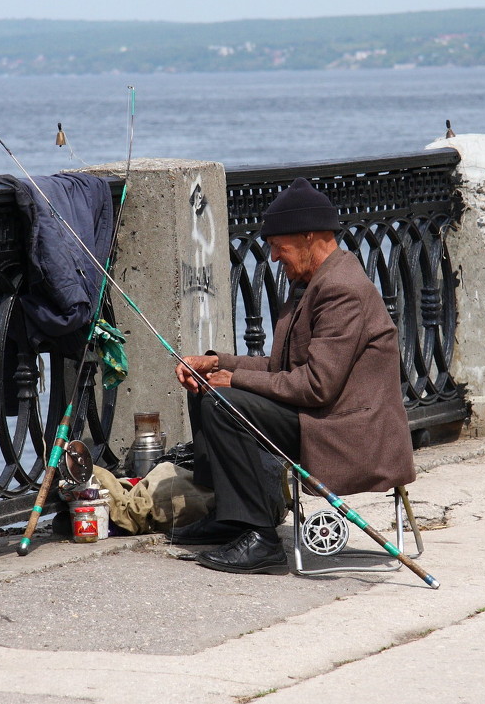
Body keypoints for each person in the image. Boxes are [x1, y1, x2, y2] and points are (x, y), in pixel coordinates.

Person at [170, 177, 416, 575]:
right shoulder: (311, 283)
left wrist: (233, 382)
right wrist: (216, 364)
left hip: (347, 433)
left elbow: (316, 386)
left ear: (308, 237)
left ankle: (261, 538)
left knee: (224, 402)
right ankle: (232, 516)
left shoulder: (342, 290)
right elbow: (281, 369)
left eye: (277, 246)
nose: (272, 256)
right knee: (206, 389)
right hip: (322, 417)